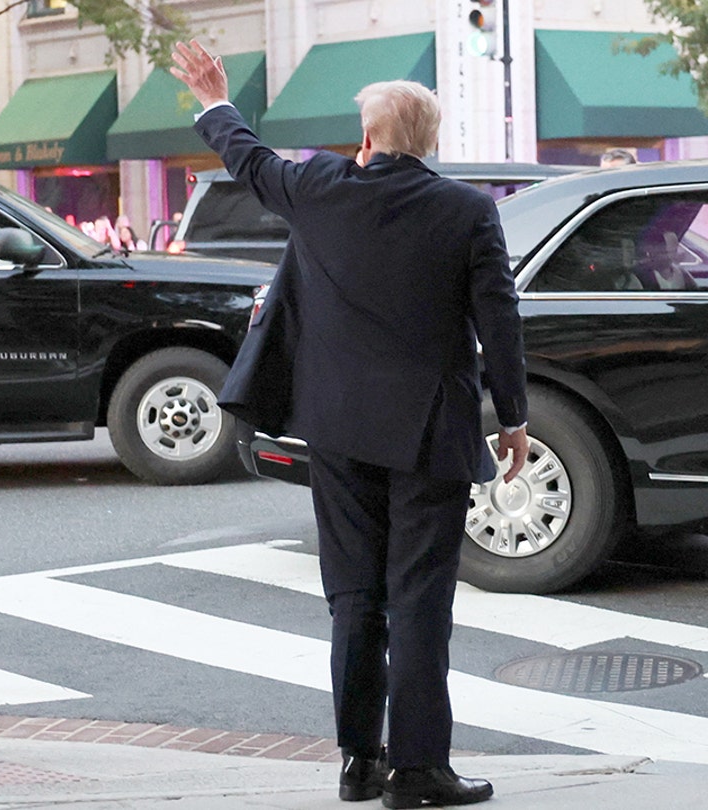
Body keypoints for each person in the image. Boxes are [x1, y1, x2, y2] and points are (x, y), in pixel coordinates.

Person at [171, 40, 527, 807]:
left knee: (354, 598)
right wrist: (514, 416)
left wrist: (214, 98)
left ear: (366, 140)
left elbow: (248, 158)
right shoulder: (468, 211)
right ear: (429, 142)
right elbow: (498, 318)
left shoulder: (320, 189)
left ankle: (359, 763)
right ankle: (419, 770)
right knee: (420, 600)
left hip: (336, 429)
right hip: (430, 432)